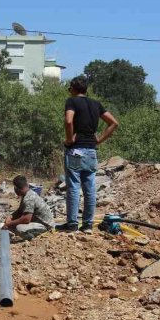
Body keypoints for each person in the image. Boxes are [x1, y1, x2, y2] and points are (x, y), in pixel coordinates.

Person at [58, 76, 119, 233]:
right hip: (91, 151)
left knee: (73, 187)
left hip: (75, 150)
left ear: (73, 89)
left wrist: (69, 139)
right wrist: (99, 140)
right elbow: (113, 123)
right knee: (90, 189)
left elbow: (69, 121)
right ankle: (88, 225)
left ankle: (72, 224)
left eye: (69, 88)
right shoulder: (96, 104)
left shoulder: (72, 102)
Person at [4, 175, 55, 241]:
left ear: (16, 188)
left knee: (19, 228)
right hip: (39, 221)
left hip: (46, 225)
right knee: (14, 223)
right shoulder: (27, 194)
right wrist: (10, 216)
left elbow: (26, 219)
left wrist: (9, 223)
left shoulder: (29, 198)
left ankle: (39, 237)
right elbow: (20, 210)